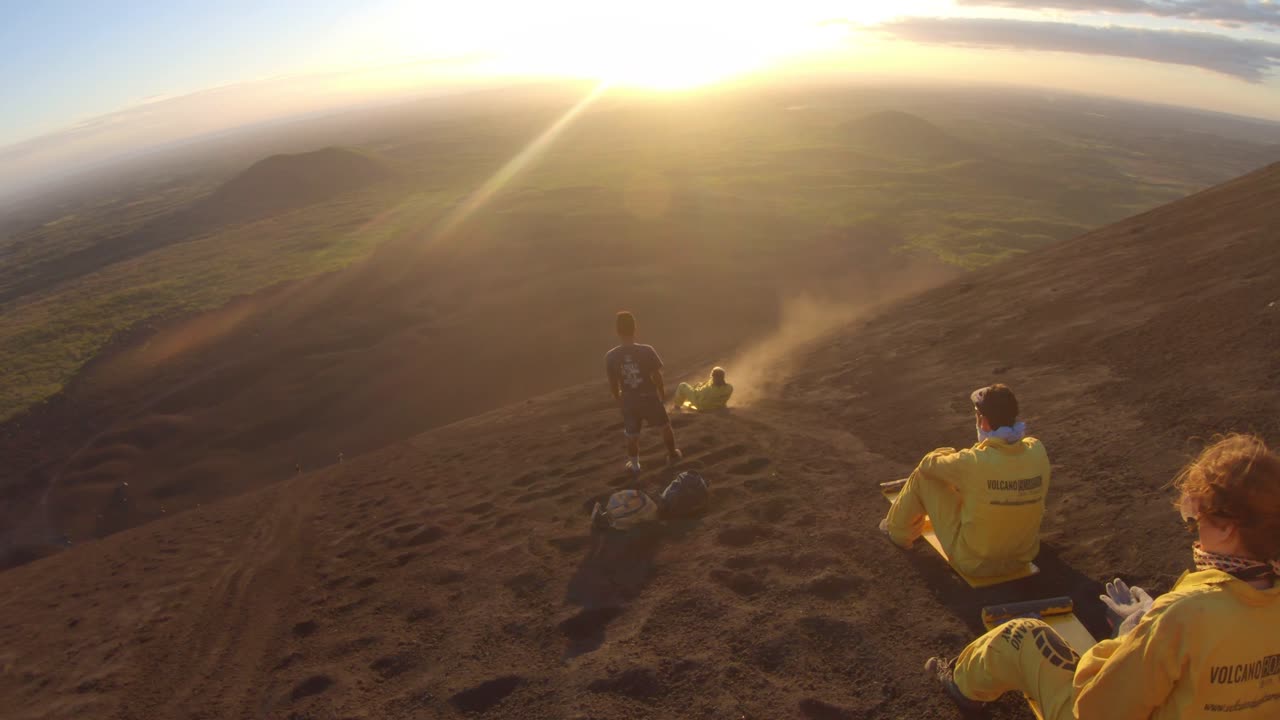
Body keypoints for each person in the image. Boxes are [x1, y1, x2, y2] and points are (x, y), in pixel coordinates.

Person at [925, 433, 1280, 719]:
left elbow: (1096, 709)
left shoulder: (1183, 615)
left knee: (1024, 635)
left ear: (1230, 529)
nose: (1194, 530)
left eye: (1197, 519)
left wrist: (1129, 637)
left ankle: (961, 685)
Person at [879, 384, 1050, 579]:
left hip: (974, 563)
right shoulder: (1037, 449)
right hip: (1021, 558)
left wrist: (948, 453)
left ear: (984, 422)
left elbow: (928, 465)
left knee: (924, 477)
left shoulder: (972, 462)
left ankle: (897, 532)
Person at [605, 311, 681, 473]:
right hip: (649, 396)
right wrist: (661, 393)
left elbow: (613, 383)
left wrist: (619, 400)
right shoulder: (647, 351)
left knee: (632, 435)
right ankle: (672, 454)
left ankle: (634, 465)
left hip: (629, 400)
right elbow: (656, 375)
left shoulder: (611, 356)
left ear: (617, 331)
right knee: (665, 426)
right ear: (635, 329)